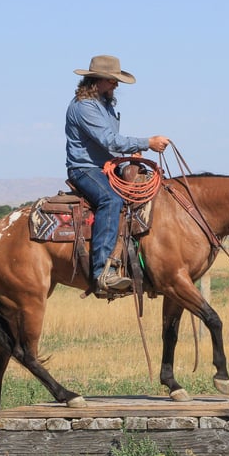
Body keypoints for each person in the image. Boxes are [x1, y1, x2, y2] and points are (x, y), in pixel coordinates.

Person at [65, 55, 170, 293]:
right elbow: (109, 139)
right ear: (97, 80)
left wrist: (129, 158)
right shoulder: (84, 107)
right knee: (111, 199)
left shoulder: (106, 105)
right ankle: (103, 271)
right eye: (112, 80)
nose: (116, 85)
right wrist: (146, 143)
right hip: (85, 168)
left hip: (106, 166)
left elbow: (109, 145)